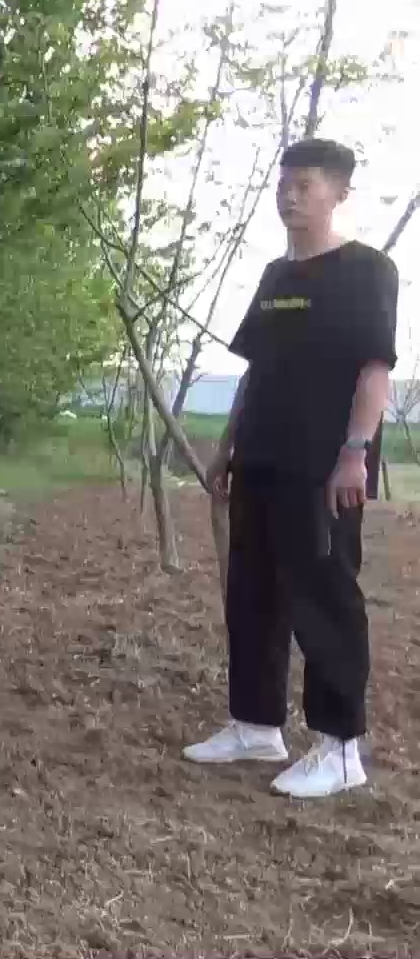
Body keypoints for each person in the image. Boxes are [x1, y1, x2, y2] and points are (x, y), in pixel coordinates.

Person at [185, 137, 398, 799]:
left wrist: (355, 451)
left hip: (323, 467)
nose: (290, 195)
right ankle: (255, 726)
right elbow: (255, 372)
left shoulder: (367, 270)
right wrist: (227, 447)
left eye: (305, 185)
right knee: (251, 594)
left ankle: (340, 749)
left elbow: (375, 368)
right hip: (260, 459)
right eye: (285, 185)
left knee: (325, 598)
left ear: (339, 193)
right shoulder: (276, 277)